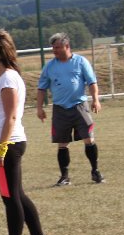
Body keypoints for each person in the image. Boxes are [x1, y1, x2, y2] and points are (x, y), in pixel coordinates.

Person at [0, 30, 52, 235]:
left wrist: (0, 151)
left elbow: (11, 117)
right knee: (18, 194)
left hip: (9, 145)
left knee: (9, 196)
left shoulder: (8, 79)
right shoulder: (6, 78)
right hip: (9, 143)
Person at [36, 32, 104, 186]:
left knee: (89, 139)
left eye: (57, 47)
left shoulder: (81, 61)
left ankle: (95, 171)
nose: (54, 50)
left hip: (80, 106)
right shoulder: (49, 67)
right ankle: (64, 177)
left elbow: (92, 82)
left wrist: (95, 100)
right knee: (62, 143)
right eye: (53, 48)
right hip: (60, 109)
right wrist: (39, 108)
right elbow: (41, 89)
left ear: (67, 46)